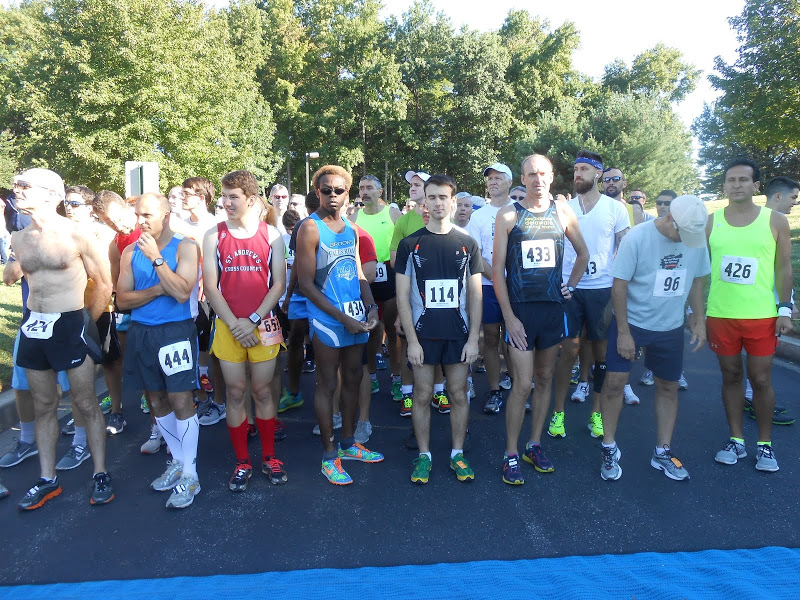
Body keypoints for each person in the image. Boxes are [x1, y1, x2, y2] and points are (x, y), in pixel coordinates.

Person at [10, 168, 114, 510]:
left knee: (85, 403)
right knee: (44, 404)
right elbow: (14, 275)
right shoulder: (19, 238)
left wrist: (86, 323)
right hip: (34, 324)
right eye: (16, 185)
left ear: (51, 194)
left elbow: (104, 283)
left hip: (70, 322)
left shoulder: (77, 234)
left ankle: (100, 472)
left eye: (24, 185)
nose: (17, 190)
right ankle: (47, 479)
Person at [599, 195, 710, 481]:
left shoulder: (695, 238)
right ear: (670, 217)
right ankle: (608, 447)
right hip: (633, 322)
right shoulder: (637, 238)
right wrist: (624, 332)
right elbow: (619, 286)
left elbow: (697, 280)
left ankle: (662, 451)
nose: (685, 240)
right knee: (614, 383)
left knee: (668, 386)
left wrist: (699, 318)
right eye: (682, 233)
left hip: (670, 326)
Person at [492, 155, 589, 484]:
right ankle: (510, 452)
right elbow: (497, 271)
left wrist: (570, 286)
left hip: (551, 310)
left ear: (551, 176)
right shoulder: (508, 214)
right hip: (520, 311)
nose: (537, 179)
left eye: (543, 173)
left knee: (545, 378)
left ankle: (534, 445)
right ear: (523, 178)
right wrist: (509, 317)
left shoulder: (562, 211)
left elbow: (583, 254)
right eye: (531, 174)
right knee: (522, 384)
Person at [295, 165, 384, 485]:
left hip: (355, 316)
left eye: (339, 190)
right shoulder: (310, 227)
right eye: (326, 190)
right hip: (328, 320)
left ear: (348, 193)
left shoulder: (350, 228)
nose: (332, 195)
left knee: (354, 378)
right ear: (317, 192)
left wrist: (371, 307)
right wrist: (343, 318)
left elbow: (358, 272)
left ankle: (348, 443)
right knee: (327, 384)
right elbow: (306, 285)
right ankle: (329, 454)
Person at [202, 170, 287, 492]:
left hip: (261, 324)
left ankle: (269, 456)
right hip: (228, 326)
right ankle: (242, 461)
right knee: (235, 392)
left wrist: (252, 319)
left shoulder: (272, 234)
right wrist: (236, 324)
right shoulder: (214, 234)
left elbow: (278, 284)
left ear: (251, 200)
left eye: (233, 196)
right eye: (224, 196)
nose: (226, 202)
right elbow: (211, 287)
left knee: (262, 391)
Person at [116, 192, 202, 507]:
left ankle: (191, 474)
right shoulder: (129, 252)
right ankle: (178, 461)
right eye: (137, 215)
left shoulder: (185, 246)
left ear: (165, 215)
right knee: (155, 400)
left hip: (176, 330)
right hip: (141, 332)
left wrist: (156, 258)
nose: (140, 221)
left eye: (147, 215)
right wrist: (156, 289)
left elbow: (181, 292)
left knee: (181, 399)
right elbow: (122, 300)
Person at [395, 174, 482, 484]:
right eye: (431, 197)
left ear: (453, 201)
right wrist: (412, 341)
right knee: (421, 394)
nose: (437, 203)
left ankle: (457, 453)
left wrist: (474, 339)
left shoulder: (468, 243)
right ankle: (424, 455)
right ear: (424, 202)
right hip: (424, 335)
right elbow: (402, 297)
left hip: (457, 334)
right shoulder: (409, 244)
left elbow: (475, 295)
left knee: (458, 393)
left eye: (443, 197)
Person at [707, 158, 793, 472]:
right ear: (724, 186)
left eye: (743, 179)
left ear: (756, 185)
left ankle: (765, 445)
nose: (737, 185)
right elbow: (701, 269)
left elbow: (784, 268)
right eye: (731, 180)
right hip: (721, 315)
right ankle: (736, 440)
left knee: (760, 379)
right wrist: (694, 311)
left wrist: (785, 309)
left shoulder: (775, 220)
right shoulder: (711, 222)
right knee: (731, 376)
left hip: (761, 316)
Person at [548, 150, 631, 440]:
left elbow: (625, 247)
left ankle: (596, 413)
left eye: (584, 168)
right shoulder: (564, 208)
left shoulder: (615, 208)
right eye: (575, 169)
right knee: (569, 351)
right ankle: (558, 412)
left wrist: (621, 281)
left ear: (598, 173)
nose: (578, 174)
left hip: (602, 289)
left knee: (600, 354)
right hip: (569, 288)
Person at [349, 174, 404, 415]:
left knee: (392, 329)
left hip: (388, 273)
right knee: (371, 329)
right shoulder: (354, 217)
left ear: (380, 191)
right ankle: (371, 375)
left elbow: (404, 242)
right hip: (365, 276)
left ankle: (397, 377)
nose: (365, 191)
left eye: (370, 187)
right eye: (362, 188)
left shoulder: (392, 214)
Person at [467, 162, 516, 415]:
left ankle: (518, 388)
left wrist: (509, 282)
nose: (493, 182)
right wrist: (498, 280)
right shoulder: (478, 216)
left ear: (510, 182)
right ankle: (495, 390)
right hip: (488, 285)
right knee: (491, 337)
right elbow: (477, 255)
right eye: (490, 178)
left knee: (515, 339)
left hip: (517, 287)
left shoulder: (520, 211)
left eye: (498, 177)